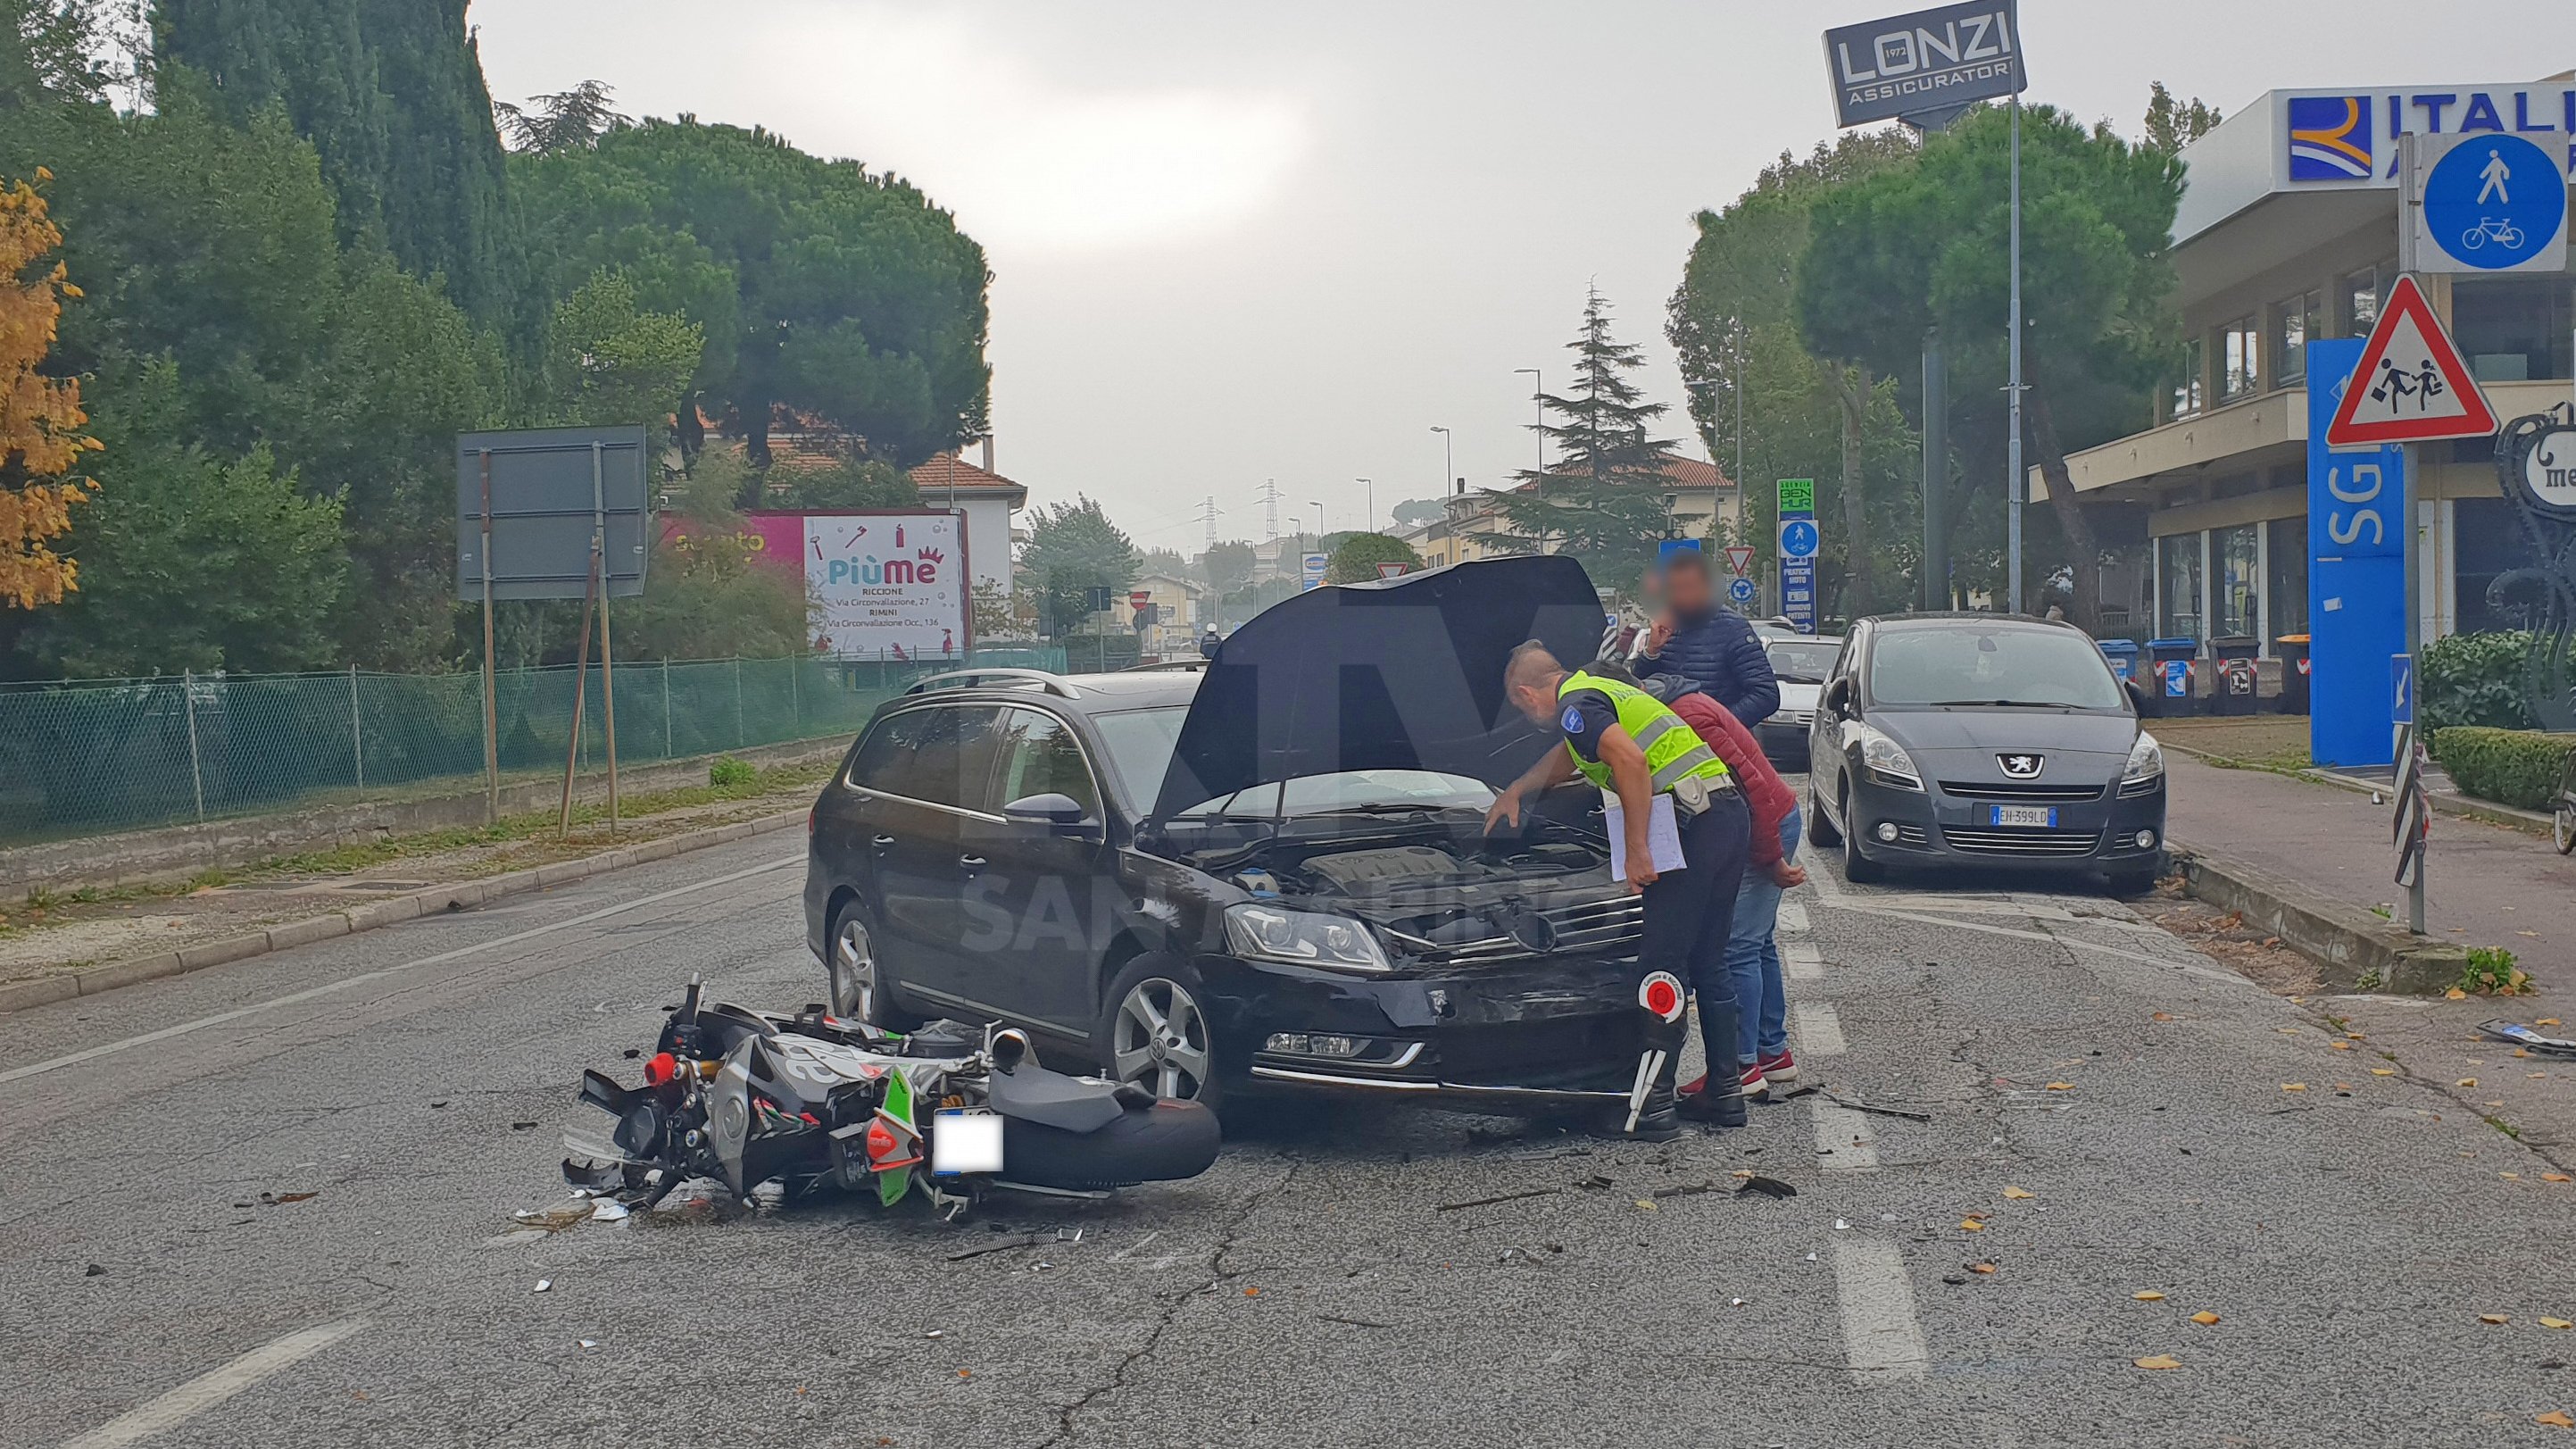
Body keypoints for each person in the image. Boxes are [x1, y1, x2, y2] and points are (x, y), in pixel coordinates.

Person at [1486, 642, 1751, 1133]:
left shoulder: (1575, 706)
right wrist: (1518, 789)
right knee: (1709, 961)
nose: (1528, 718)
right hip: (1727, 815)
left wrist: (1636, 851)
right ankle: (1726, 1094)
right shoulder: (1598, 692)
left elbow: (1629, 762)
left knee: (1660, 967)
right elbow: (1571, 757)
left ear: (1526, 692)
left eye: (1521, 708)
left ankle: (1651, 1108)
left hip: (1691, 826)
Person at [1639, 549, 1780, 727]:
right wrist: (1651, 652)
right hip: (1671, 741)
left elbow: (1766, 695)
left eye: (1688, 587)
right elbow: (1639, 689)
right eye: (1674, 588)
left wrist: (1718, 725)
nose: (1680, 596)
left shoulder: (1733, 628)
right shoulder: (1664, 627)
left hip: (1718, 746)